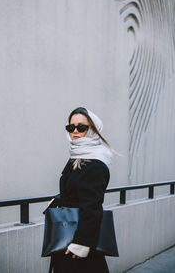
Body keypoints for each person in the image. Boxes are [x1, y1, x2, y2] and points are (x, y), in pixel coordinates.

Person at [49, 107, 113, 273]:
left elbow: (92, 206)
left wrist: (81, 243)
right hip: (69, 234)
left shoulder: (94, 163)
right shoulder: (77, 156)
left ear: (92, 129)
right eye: (71, 127)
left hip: (78, 242)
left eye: (81, 127)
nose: (75, 131)